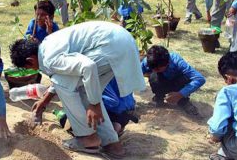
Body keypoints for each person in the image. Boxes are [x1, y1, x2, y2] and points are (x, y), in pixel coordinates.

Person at [10, 21, 146, 158]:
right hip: (121, 43)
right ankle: (112, 144)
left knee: (70, 86)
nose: (33, 70)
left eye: (29, 68)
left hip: (111, 47)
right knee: (84, 88)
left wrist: (95, 104)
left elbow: (87, 67)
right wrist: (45, 101)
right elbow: (70, 74)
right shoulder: (47, 46)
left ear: (30, 60)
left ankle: (87, 138)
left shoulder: (49, 58)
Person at [141, 45, 206, 116]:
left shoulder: (177, 62)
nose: (155, 70)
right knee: (154, 76)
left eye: (158, 69)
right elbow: (134, 75)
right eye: (152, 68)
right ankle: (159, 97)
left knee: (184, 78)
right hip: (161, 80)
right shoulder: (147, 62)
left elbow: (199, 79)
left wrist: (180, 94)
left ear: (167, 63)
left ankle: (183, 101)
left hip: (177, 82)